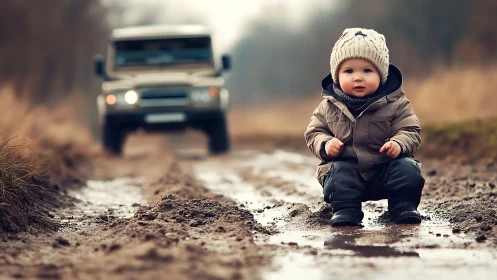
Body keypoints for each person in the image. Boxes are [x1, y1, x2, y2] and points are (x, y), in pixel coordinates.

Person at [304, 28, 425, 226]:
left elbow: (410, 130)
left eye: (367, 71)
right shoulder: (328, 107)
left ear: (382, 75)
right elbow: (314, 132)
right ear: (337, 75)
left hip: (384, 170)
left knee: (407, 169)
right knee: (337, 174)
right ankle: (346, 211)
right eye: (349, 71)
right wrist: (326, 144)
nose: (358, 77)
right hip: (348, 172)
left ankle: (403, 207)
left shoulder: (396, 103)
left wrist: (399, 144)